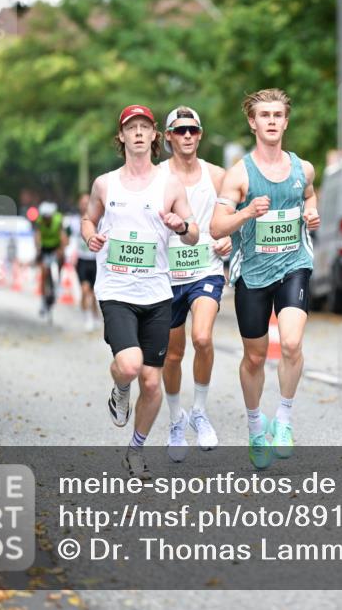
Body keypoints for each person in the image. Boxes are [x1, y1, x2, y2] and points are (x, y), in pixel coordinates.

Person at [81, 104, 199, 479]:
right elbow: (88, 218)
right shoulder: (105, 183)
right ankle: (119, 388)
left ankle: (135, 450)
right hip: (116, 290)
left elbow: (195, 232)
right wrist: (91, 237)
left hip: (157, 292)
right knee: (130, 367)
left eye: (143, 126)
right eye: (130, 127)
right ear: (121, 136)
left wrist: (180, 226)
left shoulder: (170, 185)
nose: (137, 132)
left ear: (153, 136)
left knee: (151, 382)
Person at [211, 88, 320, 469]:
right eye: (265, 115)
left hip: (294, 263)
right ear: (253, 122)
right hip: (253, 272)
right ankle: (257, 428)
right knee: (255, 357)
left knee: (291, 343)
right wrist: (245, 214)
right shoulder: (239, 174)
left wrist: (311, 213)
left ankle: (285, 420)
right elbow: (215, 225)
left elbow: (308, 195)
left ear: (285, 122)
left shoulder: (302, 168)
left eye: (278, 115)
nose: (272, 121)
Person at [159, 106, 232, 461]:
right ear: (168, 137)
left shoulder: (217, 176)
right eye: (180, 130)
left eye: (193, 130)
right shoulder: (156, 178)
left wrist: (232, 241)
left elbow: (237, 218)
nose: (187, 136)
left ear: (200, 135)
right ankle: (176, 420)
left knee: (202, 337)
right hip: (167, 276)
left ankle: (200, 412)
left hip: (207, 269)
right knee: (172, 354)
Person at [71, 193, 101, 331]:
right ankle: (87, 316)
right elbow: (70, 239)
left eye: (86, 202)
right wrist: (70, 254)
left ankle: (95, 314)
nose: (84, 205)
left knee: (94, 293)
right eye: (82, 202)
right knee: (84, 289)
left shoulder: (99, 220)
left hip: (95, 260)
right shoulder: (73, 221)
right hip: (82, 260)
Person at [35, 200, 68, 317]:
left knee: (60, 261)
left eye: (47, 217)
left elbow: (63, 236)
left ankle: (58, 282)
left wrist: (62, 250)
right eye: (44, 217)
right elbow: (37, 236)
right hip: (45, 248)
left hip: (56, 247)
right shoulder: (40, 221)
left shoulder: (58, 220)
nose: (46, 219)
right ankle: (43, 300)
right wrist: (38, 249)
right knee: (44, 271)